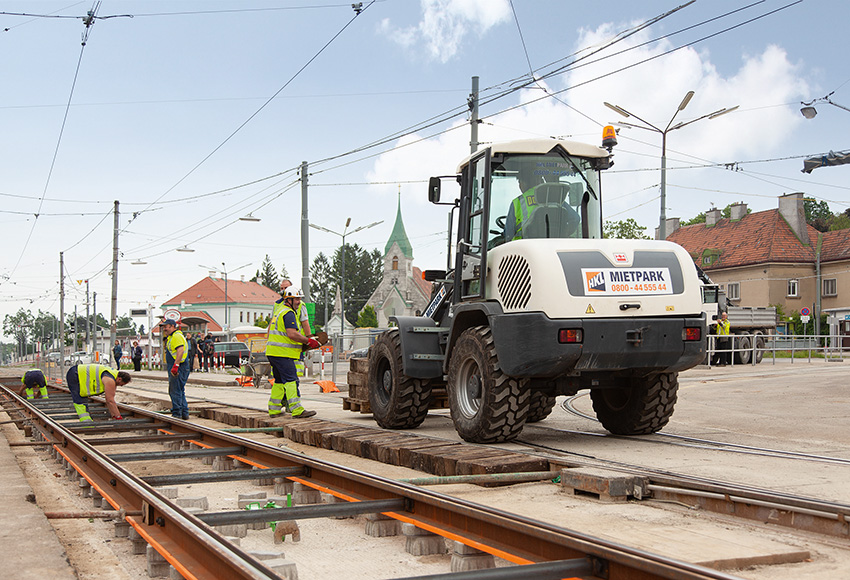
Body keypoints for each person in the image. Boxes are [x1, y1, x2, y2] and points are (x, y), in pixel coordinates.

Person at [265, 286, 318, 419]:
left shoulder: (280, 311)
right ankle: (297, 409)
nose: (299, 302)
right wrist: (308, 341)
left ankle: (274, 409)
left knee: (278, 381)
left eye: (300, 299)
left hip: (274, 352)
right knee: (291, 380)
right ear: (288, 299)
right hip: (283, 354)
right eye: (296, 299)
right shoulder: (288, 313)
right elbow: (292, 334)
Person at [504, 166, 581, 241]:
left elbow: (508, 235)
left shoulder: (518, 202)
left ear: (523, 183)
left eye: (519, 182)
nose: (519, 185)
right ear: (539, 180)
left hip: (522, 249)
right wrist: (562, 234)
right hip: (553, 245)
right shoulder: (555, 198)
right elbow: (575, 219)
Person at [273, 278, 312, 381]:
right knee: (290, 380)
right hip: (283, 348)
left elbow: (305, 324)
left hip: (294, 346)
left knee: (284, 380)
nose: (283, 290)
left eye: (285, 288)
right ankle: (292, 395)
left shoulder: (300, 305)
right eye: (281, 288)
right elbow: (272, 326)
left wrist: (309, 342)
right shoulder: (278, 305)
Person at [66, 363, 131, 421]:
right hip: (75, 374)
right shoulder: (110, 380)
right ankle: (86, 423)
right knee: (80, 400)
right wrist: (118, 417)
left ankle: (87, 421)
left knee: (82, 397)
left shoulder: (113, 374)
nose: (121, 386)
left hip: (77, 373)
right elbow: (110, 400)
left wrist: (113, 415)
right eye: (122, 384)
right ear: (119, 379)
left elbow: (109, 401)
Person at [161, 319, 190, 419]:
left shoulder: (176, 336)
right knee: (179, 389)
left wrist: (175, 366)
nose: (165, 329)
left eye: (167, 326)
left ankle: (177, 413)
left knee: (175, 390)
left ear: (173, 326)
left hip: (179, 366)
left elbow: (180, 351)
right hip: (179, 366)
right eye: (164, 327)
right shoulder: (172, 337)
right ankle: (184, 412)